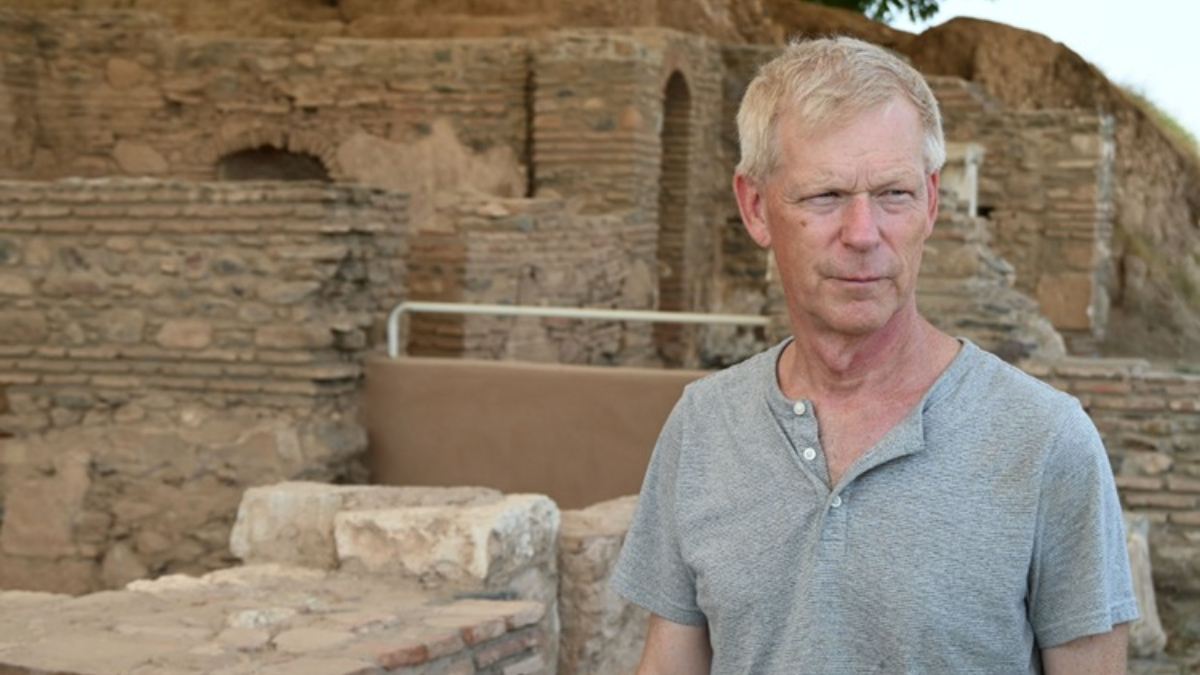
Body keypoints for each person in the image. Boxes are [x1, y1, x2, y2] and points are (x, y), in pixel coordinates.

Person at [611, 36, 1138, 674]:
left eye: (894, 194)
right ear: (755, 207)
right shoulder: (704, 425)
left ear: (931, 202)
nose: (863, 234)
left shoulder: (1046, 442)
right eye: (825, 196)